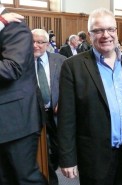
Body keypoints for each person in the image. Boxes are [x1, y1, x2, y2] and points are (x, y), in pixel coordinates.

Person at [57, 8, 122, 185]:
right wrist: (67, 157)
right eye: (98, 30)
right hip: (93, 155)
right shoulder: (73, 67)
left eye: (110, 29)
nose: (106, 35)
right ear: (89, 34)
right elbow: (66, 118)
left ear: (116, 31)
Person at [0, 5, 47, 185]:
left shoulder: (14, 25)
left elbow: (11, 69)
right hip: (7, 121)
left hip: (15, 121)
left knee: (25, 179)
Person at [32, 28, 67, 185]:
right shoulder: (21, 62)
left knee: (58, 150)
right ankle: (49, 179)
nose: (35, 45)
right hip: (34, 114)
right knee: (41, 151)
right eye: (32, 41)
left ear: (47, 44)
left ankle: (52, 168)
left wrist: (63, 101)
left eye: (40, 42)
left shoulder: (60, 60)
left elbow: (69, 86)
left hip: (57, 113)